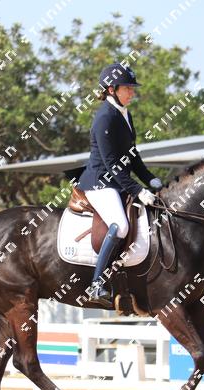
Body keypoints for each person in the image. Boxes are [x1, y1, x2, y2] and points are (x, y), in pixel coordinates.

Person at [78, 62, 163, 305]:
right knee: (122, 226)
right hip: (100, 183)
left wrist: (149, 178)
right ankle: (97, 284)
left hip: (116, 181)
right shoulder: (105, 118)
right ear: (111, 89)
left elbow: (131, 155)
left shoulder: (124, 114)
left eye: (132, 88)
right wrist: (137, 189)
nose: (132, 93)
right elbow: (112, 163)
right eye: (128, 88)